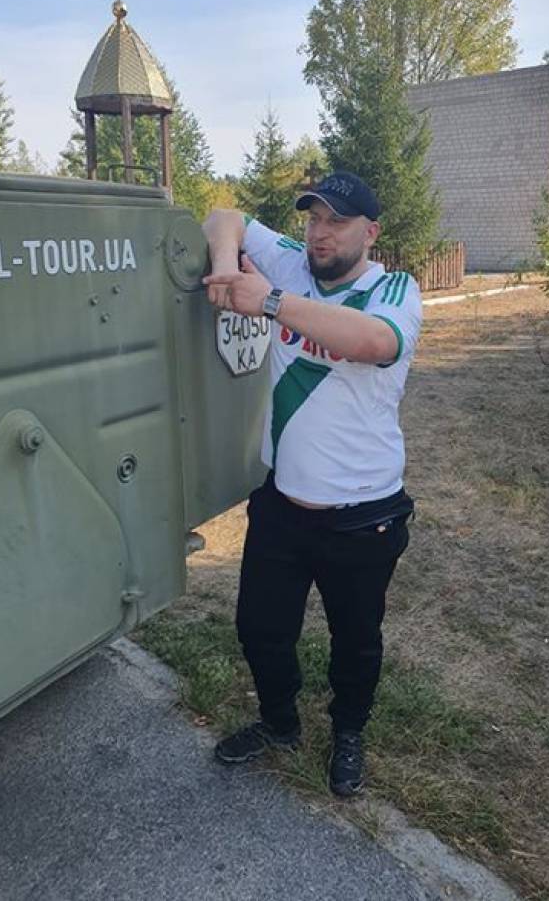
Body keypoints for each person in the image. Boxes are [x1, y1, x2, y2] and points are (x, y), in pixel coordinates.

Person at [201, 171, 422, 797]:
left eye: (337, 222)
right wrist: (228, 269)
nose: (320, 233)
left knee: (356, 641)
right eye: (313, 218)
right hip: (281, 503)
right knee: (260, 629)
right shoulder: (293, 262)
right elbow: (224, 217)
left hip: (364, 512)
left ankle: (349, 732)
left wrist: (269, 301)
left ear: (370, 233)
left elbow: (373, 341)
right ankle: (279, 725)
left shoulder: (394, 289)